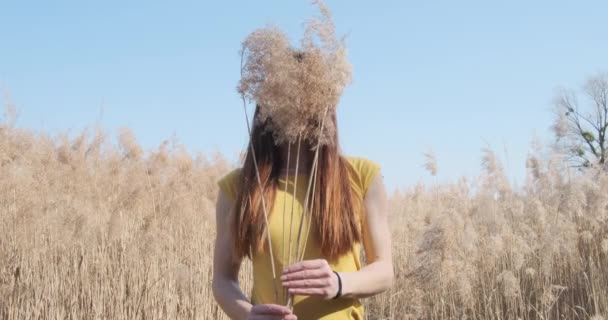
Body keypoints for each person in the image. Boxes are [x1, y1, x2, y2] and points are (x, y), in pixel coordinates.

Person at [212, 106, 393, 320]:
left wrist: (338, 283)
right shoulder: (239, 186)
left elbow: (384, 271)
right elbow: (223, 280)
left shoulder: (362, 176)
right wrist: (248, 315)